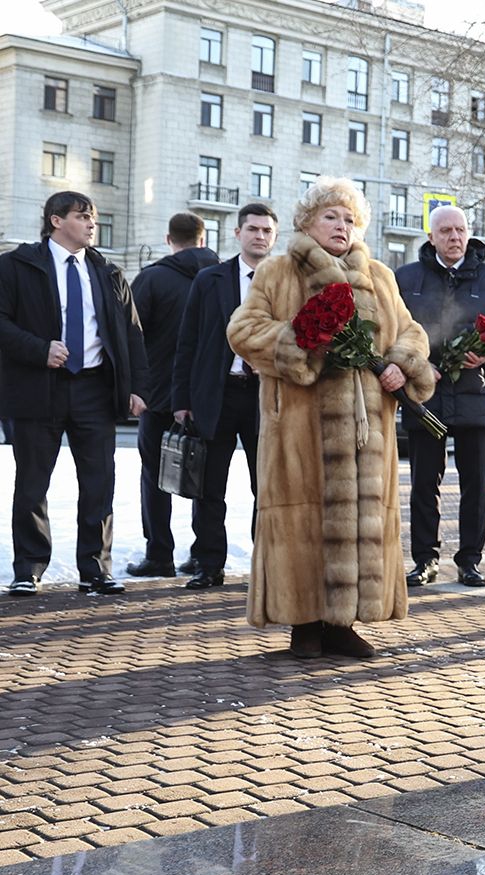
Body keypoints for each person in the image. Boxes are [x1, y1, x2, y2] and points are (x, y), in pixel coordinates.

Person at [226, 177, 435, 659]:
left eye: (349, 219)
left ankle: (344, 624)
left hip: (367, 430)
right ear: (306, 222)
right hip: (299, 424)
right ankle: (305, 624)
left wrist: (400, 366)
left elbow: (412, 333)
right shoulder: (277, 271)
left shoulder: (379, 276)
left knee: (359, 520)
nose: (342, 226)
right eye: (330, 217)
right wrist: (305, 338)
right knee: (304, 519)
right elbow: (244, 330)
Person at [0, 191, 149, 597]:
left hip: (94, 390)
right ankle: (28, 569)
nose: (91, 224)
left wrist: (136, 387)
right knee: (32, 482)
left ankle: (96, 569)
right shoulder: (16, 266)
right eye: (83, 216)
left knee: (99, 482)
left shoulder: (108, 272)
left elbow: (132, 334)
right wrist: (39, 348)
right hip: (37, 388)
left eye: (93, 218)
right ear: (55, 220)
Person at [395, 205, 485, 589]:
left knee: (475, 485)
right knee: (422, 484)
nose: (455, 237)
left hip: (476, 395)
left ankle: (470, 560)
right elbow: (394, 333)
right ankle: (425, 560)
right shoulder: (406, 278)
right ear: (431, 236)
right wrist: (417, 365)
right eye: (446, 231)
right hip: (425, 395)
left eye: (461, 230)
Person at [171, 205, 279, 589]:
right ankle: (208, 563)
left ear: (275, 236)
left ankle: (266, 563)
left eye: (267, 230)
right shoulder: (209, 279)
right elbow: (187, 341)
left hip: (266, 398)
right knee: (209, 487)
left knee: (266, 486)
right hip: (215, 394)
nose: (260, 236)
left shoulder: (284, 281)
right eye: (252, 229)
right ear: (237, 233)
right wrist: (181, 398)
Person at [127, 212, 219, 578]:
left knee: (154, 475)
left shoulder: (151, 279)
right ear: (203, 238)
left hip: (159, 394)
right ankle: (202, 554)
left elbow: (131, 335)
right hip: (210, 395)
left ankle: (159, 554)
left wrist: (135, 387)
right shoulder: (223, 277)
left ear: (169, 239)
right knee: (208, 478)